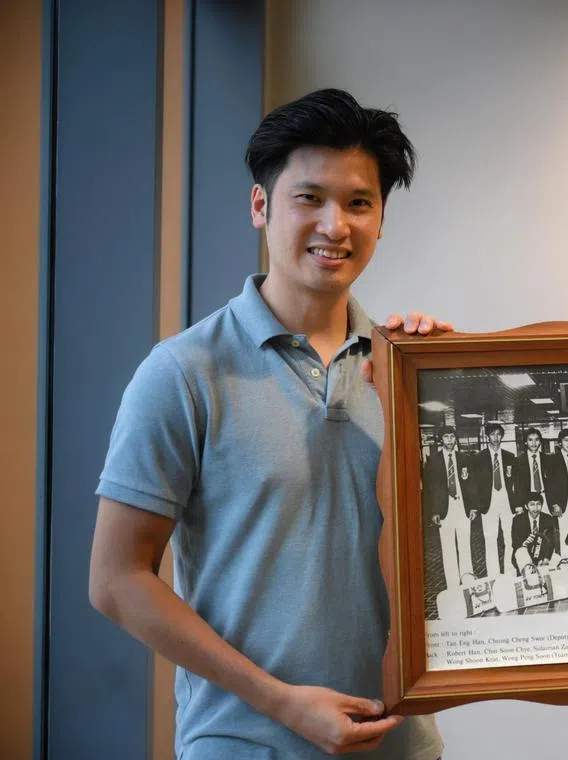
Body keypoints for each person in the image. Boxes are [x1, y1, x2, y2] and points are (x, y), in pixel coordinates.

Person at [87, 89, 449, 759]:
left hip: (402, 745)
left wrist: (456, 384)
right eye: (308, 198)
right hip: (245, 743)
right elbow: (115, 580)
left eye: (359, 203)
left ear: (381, 220)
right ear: (261, 207)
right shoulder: (183, 372)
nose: (335, 225)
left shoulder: (410, 371)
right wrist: (282, 701)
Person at [423, 426, 478, 589]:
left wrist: (473, 507)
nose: (449, 440)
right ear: (441, 439)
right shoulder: (433, 460)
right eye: (446, 437)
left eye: (452, 436)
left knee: (465, 546)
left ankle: (468, 583)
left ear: (456, 439)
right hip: (444, 509)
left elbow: (472, 485)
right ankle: (453, 586)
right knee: (448, 549)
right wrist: (433, 512)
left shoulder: (465, 458)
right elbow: (429, 489)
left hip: (462, 507)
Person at [473, 422, 519, 576]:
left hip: (507, 502)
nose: (496, 437)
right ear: (487, 437)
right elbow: (475, 485)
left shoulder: (510, 456)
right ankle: (493, 575)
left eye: (498, 434)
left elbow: (515, 483)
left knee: (510, 538)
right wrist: (478, 504)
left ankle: (510, 572)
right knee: (490, 539)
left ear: (502, 437)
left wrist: (517, 503)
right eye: (492, 434)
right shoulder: (479, 458)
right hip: (489, 504)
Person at [511, 492, 561, 571]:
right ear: (526, 506)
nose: (535, 508)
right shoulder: (518, 520)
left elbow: (551, 542)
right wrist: (524, 543)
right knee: (520, 553)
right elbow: (515, 543)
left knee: (557, 559)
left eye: (538, 504)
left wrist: (546, 558)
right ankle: (530, 580)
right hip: (525, 552)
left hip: (543, 554)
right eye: (532, 504)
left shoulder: (548, 519)